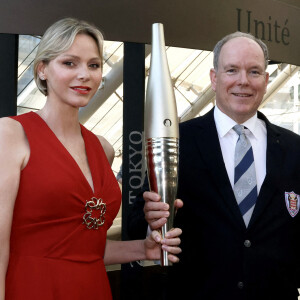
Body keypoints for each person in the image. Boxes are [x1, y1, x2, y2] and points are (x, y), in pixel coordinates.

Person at [0, 18, 182, 300]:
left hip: (93, 288)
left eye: (94, 65)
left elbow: (84, 248)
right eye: (70, 63)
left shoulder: (103, 148)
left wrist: (142, 248)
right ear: (43, 70)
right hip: (30, 289)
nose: (84, 74)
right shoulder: (10, 134)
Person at [128, 31, 300, 300]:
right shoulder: (178, 142)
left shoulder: (294, 149)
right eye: (232, 70)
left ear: (266, 81)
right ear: (214, 78)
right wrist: (154, 225)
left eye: (254, 72)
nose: (243, 81)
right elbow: (138, 219)